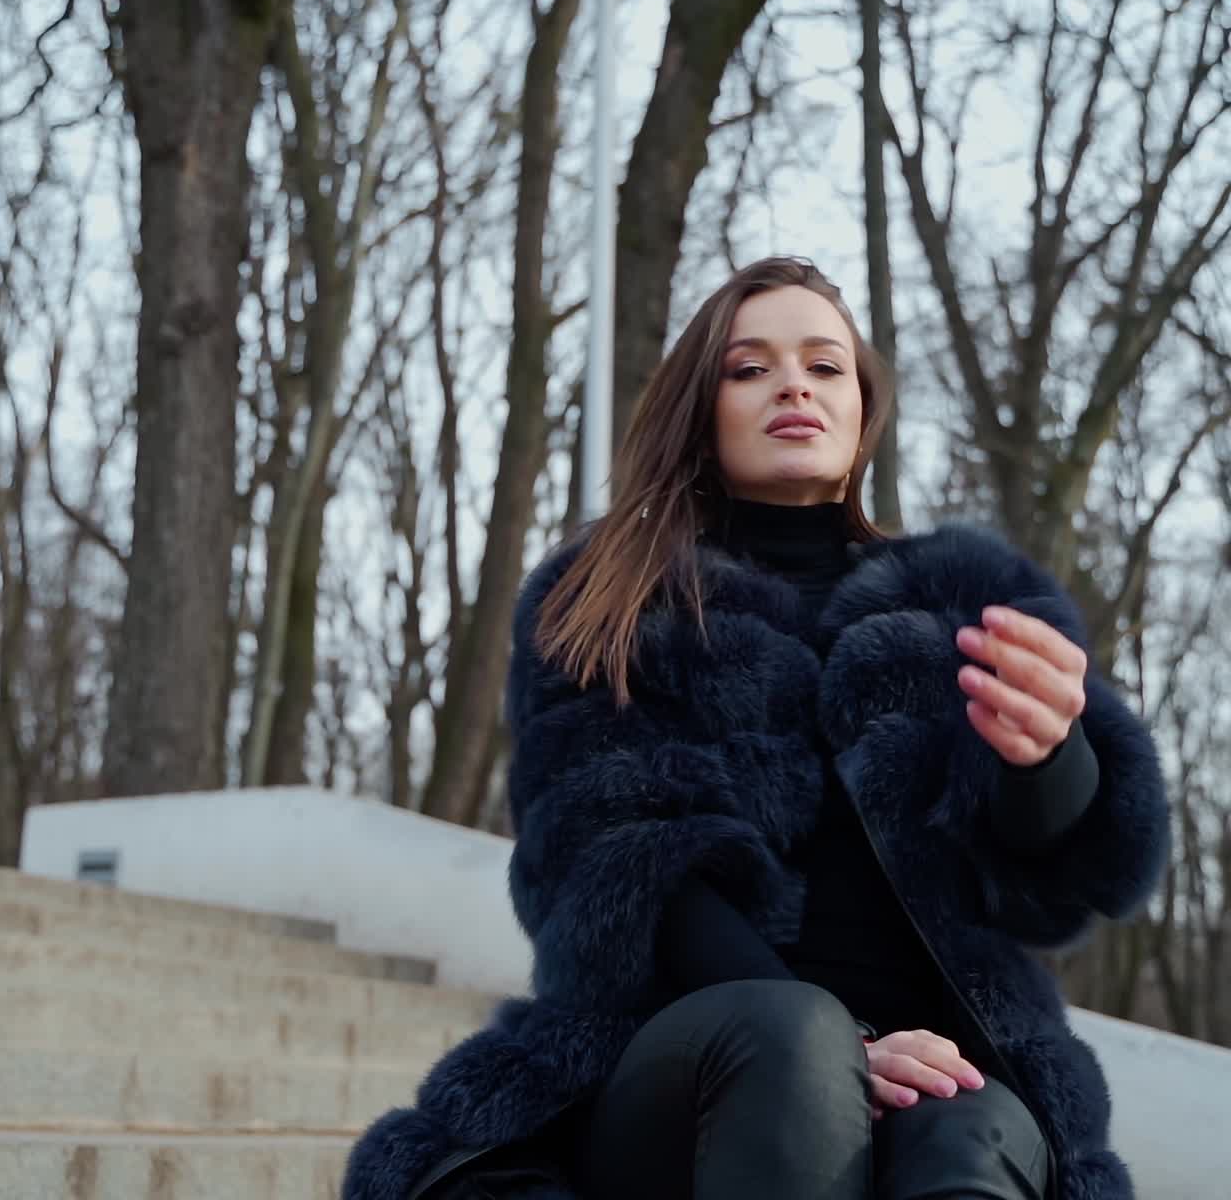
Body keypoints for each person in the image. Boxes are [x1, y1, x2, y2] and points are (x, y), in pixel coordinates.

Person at [344, 256, 1169, 1200]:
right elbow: (625, 873)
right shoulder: (612, 602)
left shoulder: (971, 603)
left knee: (967, 1128)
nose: (793, 385)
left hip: (956, 1067)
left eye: (825, 366)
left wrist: (1049, 758)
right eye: (749, 368)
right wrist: (852, 1046)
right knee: (790, 1041)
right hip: (679, 1067)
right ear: (703, 409)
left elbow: (1068, 881)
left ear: (862, 408)